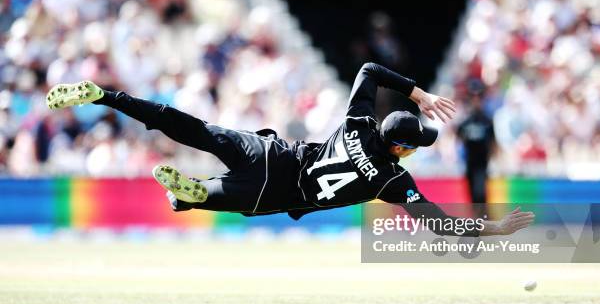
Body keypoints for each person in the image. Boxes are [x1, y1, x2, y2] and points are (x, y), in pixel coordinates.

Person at [46, 63, 534, 236]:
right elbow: (440, 224)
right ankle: (191, 196)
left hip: (272, 152)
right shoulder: (393, 180)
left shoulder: (359, 125)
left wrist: (420, 95)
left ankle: (109, 97)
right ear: (402, 149)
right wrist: (495, 228)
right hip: (277, 191)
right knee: (195, 198)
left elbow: (366, 70)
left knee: (193, 128)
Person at [457, 94, 496, 203]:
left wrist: (492, 157)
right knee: (472, 192)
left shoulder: (487, 121)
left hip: (482, 163)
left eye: (479, 100)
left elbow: (493, 142)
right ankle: (477, 217)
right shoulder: (466, 122)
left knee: (480, 192)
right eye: (474, 100)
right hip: (470, 162)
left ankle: (482, 216)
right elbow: (459, 137)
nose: (476, 103)